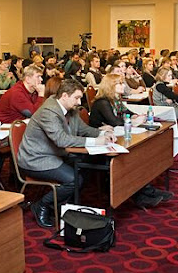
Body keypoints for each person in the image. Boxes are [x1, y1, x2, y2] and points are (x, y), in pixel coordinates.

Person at [19, 79, 115, 228]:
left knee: (88, 166)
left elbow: (83, 129)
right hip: (36, 159)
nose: (79, 102)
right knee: (74, 180)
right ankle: (42, 205)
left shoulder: (70, 108)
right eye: (76, 98)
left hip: (56, 155)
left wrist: (102, 133)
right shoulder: (48, 112)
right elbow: (61, 140)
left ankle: (62, 205)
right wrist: (96, 142)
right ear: (64, 96)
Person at [88, 74, 170, 207]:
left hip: (114, 136)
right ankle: (141, 195)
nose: (123, 86)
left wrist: (136, 116)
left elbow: (127, 112)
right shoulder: (103, 102)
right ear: (110, 86)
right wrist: (133, 121)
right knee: (132, 158)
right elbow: (115, 122)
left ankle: (146, 191)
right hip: (99, 142)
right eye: (119, 83)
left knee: (138, 155)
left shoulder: (116, 100)